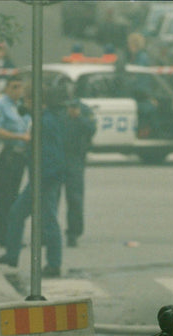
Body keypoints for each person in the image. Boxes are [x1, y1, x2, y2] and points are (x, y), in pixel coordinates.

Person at [0, 86, 67, 278]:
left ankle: (54, 264)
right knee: (17, 214)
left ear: (34, 101)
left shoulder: (45, 122)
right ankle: (12, 255)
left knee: (47, 221)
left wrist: (44, 178)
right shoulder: (42, 119)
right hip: (41, 178)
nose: (23, 104)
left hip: (44, 179)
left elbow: (50, 153)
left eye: (26, 100)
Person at [0, 74, 30, 248]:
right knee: (5, 197)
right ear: (6, 89)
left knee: (15, 196)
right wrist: (18, 136)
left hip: (20, 154)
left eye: (20, 87)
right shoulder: (0, 107)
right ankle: (5, 237)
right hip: (6, 154)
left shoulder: (22, 107)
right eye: (13, 87)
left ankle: (14, 235)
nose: (17, 91)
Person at [63, 97, 96, 248]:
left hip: (75, 157)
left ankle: (73, 232)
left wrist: (78, 117)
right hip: (56, 156)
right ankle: (46, 233)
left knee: (75, 198)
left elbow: (91, 128)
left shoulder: (83, 109)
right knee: (49, 198)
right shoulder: (55, 109)